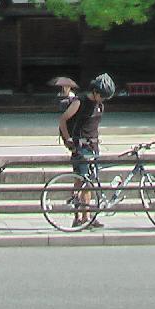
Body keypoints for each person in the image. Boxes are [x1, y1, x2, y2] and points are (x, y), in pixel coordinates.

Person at [58, 73, 114, 227]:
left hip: (93, 146)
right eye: (102, 96)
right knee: (81, 181)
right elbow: (63, 119)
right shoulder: (80, 101)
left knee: (90, 183)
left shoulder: (100, 104)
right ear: (95, 91)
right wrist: (68, 139)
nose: (103, 100)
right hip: (81, 147)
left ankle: (88, 216)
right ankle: (78, 218)